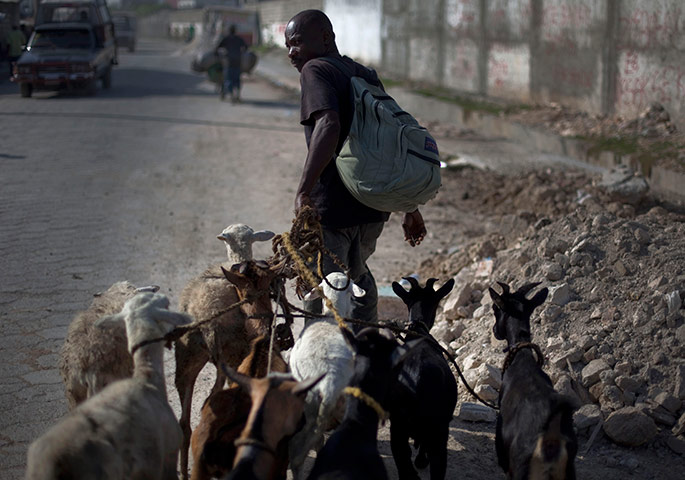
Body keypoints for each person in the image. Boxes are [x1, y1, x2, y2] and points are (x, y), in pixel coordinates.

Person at [284, 9, 427, 326]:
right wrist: (408, 206)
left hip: (333, 207)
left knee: (323, 290)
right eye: (287, 47)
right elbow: (391, 139)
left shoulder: (315, 70)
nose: (292, 53)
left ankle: (321, 361)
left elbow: (328, 124)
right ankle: (364, 350)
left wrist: (304, 191)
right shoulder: (364, 74)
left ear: (325, 38)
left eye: (296, 43)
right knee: (357, 276)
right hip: (371, 208)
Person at [215, 24, 246, 103]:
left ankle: (232, 96)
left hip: (228, 62)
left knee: (229, 80)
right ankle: (237, 96)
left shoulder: (226, 39)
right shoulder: (239, 39)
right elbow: (246, 47)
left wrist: (218, 54)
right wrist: (240, 53)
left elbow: (218, 48)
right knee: (237, 79)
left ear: (229, 31)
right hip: (237, 62)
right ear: (235, 31)